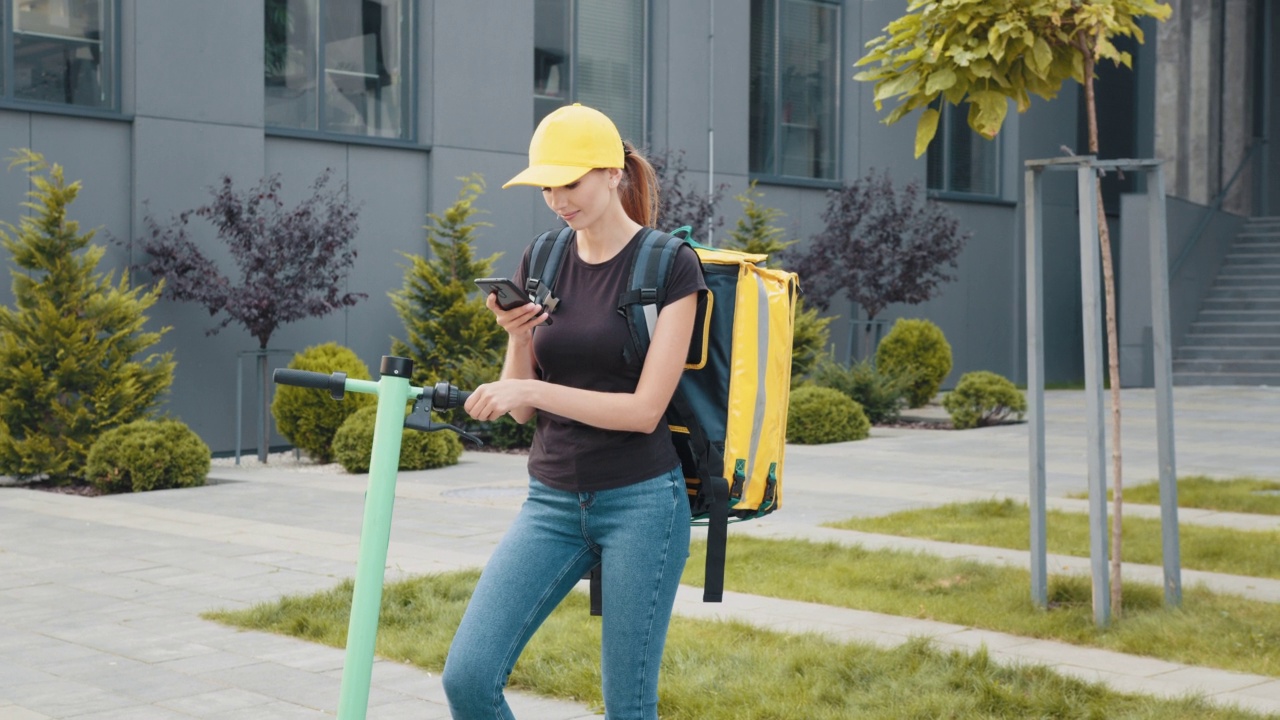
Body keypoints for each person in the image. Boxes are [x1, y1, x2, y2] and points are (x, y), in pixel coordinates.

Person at [442, 103, 706, 720]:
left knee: (628, 706)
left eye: (571, 182)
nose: (558, 198)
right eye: (546, 186)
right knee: (468, 678)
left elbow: (644, 411)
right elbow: (519, 415)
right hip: (552, 500)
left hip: (642, 502)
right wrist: (516, 337)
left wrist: (531, 392)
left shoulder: (671, 265)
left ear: (612, 173)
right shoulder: (543, 257)